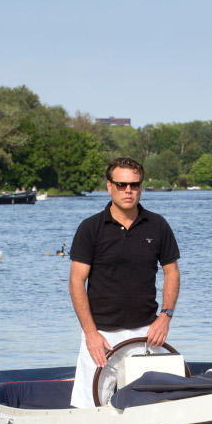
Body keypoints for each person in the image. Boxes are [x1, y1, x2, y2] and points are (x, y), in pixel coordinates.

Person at [68, 157, 180, 407]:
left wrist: (165, 317)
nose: (128, 190)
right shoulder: (90, 228)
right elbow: (76, 282)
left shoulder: (158, 225)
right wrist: (90, 334)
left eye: (134, 185)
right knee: (87, 410)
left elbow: (171, 272)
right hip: (101, 336)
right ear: (109, 186)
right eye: (121, 185)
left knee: (160, 407)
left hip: (147, 334)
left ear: (141, 187)